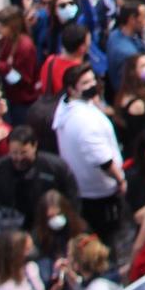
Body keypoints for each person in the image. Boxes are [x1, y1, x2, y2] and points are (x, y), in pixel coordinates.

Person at [53, 65, 125, 242]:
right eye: (85, 83)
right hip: (100, 190)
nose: (92, 85)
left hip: (82, 186)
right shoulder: (86, 122)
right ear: (71, 89)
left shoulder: (66, 105)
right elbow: (103, 161)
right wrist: (120, 180)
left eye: (93, 80)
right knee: (107, 234)